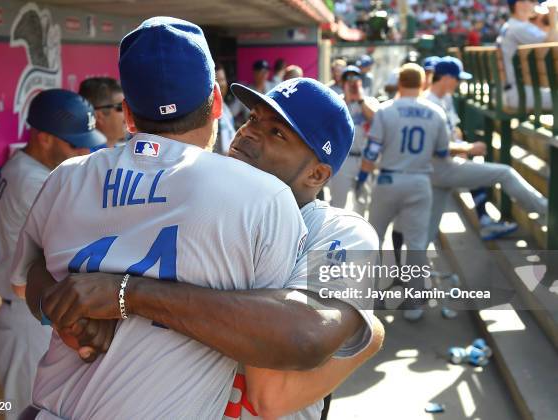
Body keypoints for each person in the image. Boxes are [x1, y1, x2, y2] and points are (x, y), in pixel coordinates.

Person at [27, 77, 384, 420]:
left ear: (317, 175)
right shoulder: (203, 198)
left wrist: (128, 294)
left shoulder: (344, 232)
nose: (250, 131)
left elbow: (282, 375)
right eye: (254, 118)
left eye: (277, 132)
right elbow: (46, 263)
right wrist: (73, 308)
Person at [10, 17, 309, 419]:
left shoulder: (65, 177)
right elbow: (278, 339)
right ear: (217, 102)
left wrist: (59, 310)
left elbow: (26, 278)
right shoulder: (264, 196)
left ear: (129, 114)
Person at [0, 88, 105, 419]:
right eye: (74, 143)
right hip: (27, 320)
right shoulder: (32, 180)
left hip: (30, 312)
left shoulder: (25, 168)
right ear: (42, 137)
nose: (84, 149)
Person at [406, 57, 547, 245]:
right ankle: (546, 210)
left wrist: (459, 143)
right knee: (504, 173)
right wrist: (468, 148)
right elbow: (433, 148)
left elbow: (453, 130)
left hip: (441, 169)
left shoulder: (444, 98)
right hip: (438, 168)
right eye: (457, 78)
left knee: (429, 230)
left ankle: (415, 272)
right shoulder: (427, 103)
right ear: (447, 78)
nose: (459, 83)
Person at [358, 63, 451, 321]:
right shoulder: (436, 111)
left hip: (388, 178)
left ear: (399, 83)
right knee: (417, 245)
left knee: (373, 239)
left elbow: (372, 152)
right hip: (420, 180)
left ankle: (367, 297)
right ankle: (413, 303)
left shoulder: (386, 110)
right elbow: (443, 152)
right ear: (423, 84)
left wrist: (362, 177)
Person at [330, 65, 379, 214]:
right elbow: (332, 125)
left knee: (362, 203)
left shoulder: (369, 102)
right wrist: (347, 99)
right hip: (343, 159)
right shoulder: (337, 102)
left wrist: (360, 101)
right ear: (343, 83)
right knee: (337, 205)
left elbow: (377, 121)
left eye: (355, 79)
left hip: (364, 160)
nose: (352, 83)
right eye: (348, 79)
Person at [497, 0, 557, 110]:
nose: (535, 4)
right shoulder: (519, 27)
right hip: (520, 92)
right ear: (519, 4)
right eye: (532, 1)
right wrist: (553, 17)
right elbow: (552, 43)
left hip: (512, 90)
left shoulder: (512, 25)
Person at [78, 77, 125, 147]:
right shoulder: (85, 155)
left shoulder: (123, 151)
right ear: (98, 116)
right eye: (121, 107)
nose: (129, 113)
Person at [214, 63, 236, 155]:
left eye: (223, 79)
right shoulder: (212, 111)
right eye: (217, 81)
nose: (221, 84)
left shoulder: (225, 107)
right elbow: (224, 150)